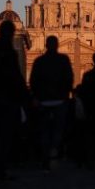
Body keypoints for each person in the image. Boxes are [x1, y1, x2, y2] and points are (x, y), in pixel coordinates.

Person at [0, 20, 29, 180]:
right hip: (7, 98)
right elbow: (16, 76)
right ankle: (0, 167)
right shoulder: (10, 52)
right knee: (4, 134)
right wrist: (26, 96)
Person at [29, 35, 73, 171]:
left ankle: (45, 157)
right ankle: (54, 150)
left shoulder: (39, 61)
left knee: (44, 130)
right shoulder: (63, 60)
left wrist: (36, 97)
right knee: (58, 130)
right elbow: (69, 79)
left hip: (43, 101)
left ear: (46, 45)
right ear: (57, 45)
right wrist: (65, 95)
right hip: (60, 100)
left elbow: (33, 81)